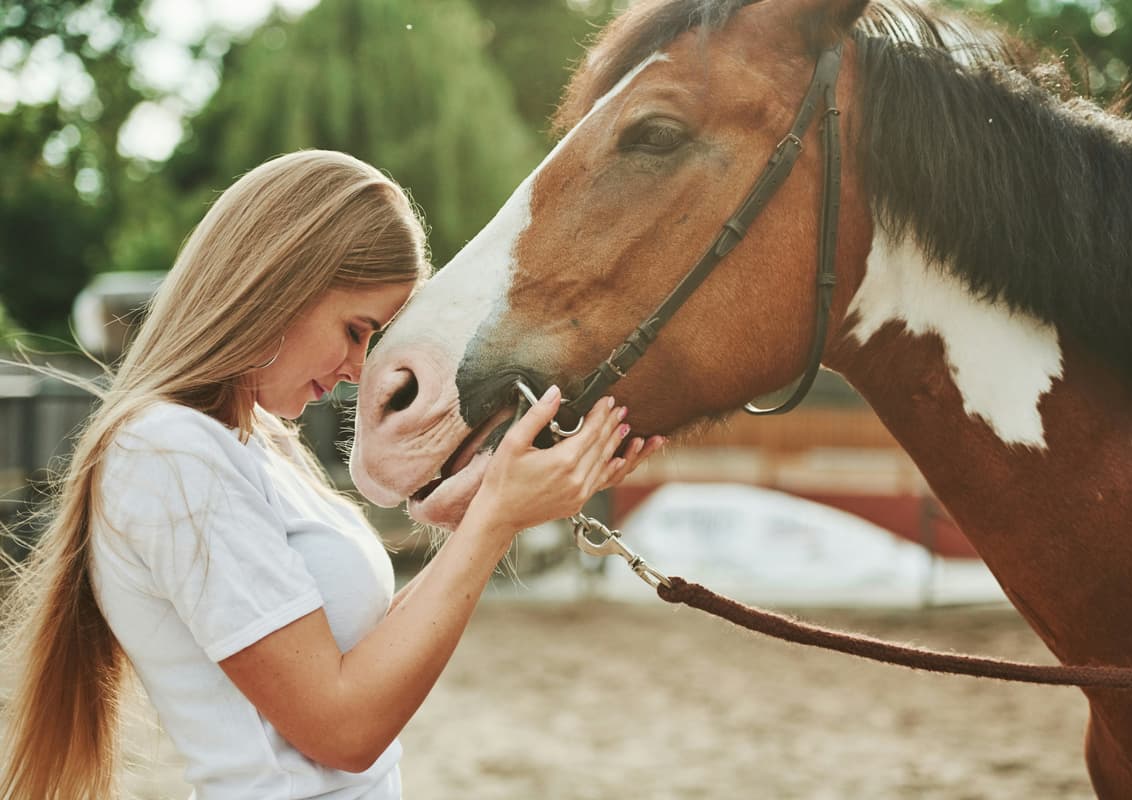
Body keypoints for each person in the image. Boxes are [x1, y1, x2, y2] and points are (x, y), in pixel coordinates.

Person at [0, 150, 664, 800]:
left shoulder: (255, 443)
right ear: (278, 283)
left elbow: (359, 652)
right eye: (355, 329)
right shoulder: (170, 456)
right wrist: (493, 521)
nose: (357, 368)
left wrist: (493, 505)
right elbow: (341, 731)